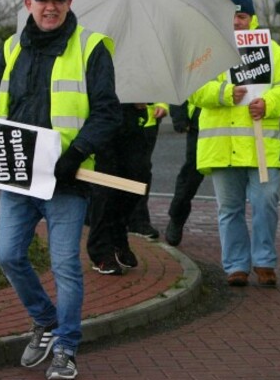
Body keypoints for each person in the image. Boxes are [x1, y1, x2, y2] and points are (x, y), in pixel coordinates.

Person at [0, 0, 122, 380]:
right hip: (19, 177)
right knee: (6, 254)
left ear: (69, 3)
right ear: (28, 5)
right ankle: (45, 320)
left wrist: (76, 152)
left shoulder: (90, 48)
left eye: (58, 0)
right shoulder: (9, 48)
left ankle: (67, 347)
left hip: (66, 180)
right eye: (43, 0)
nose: (51, 7)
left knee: (65, 266)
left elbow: (108, 112)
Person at [192, 0, 280, 288]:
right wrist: (224, 94)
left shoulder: (273, 51)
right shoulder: (207, 50)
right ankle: (236, 265)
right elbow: (195, 89)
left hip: (261, 144)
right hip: (222, 147)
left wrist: (269, 103)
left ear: (251, 18)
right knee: (229, 209)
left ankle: (264, 261)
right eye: (230, 16)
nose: (236, 22)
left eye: (241, 16)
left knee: (266, 202)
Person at [87, 103, 152, 275]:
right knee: (105, 189)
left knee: (138, 181)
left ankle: (117, 236)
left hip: (130, 122)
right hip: (102, 121)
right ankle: (101, 252)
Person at [164, 100, 204, 247]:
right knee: (190, 178)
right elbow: (181, 82)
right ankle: (177, 217)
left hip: (237, 125)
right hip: (200, 123)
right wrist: (179, 115)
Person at [128, 102, 169, 241]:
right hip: (119, 120)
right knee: (117, 171)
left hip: (147, 123)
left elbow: (160, 84)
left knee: (142, 173)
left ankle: (139, 220)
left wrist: (162, 105)